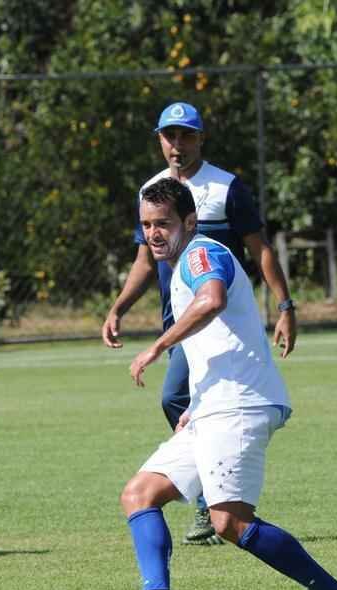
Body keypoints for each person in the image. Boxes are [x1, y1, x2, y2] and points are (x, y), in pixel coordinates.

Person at [92, 178, 337, 590]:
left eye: (163, 224)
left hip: (238, 404)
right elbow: (217, 342)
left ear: (190, 222)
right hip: (213, 407)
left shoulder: (202, 253)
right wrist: (194, 405)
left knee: (230, 523)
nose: (154, 233)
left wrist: (158, 345)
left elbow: (212, 300)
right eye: (146, 225)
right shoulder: (180, 264)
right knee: (140, 493)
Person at [102, 101, 297, 546]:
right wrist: (118, 308)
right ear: (159, 140)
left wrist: (285, 305)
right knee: (182, 405)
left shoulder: (225, 186)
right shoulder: (152, 191)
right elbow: (144, 262)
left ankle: (213, 500)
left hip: (217, 325)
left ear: (200, 138)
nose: (177, 144)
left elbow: (259, 248)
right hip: (182, 330)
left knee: (174, 394)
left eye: (186, 135)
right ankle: (213, 491)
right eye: (170, 135)